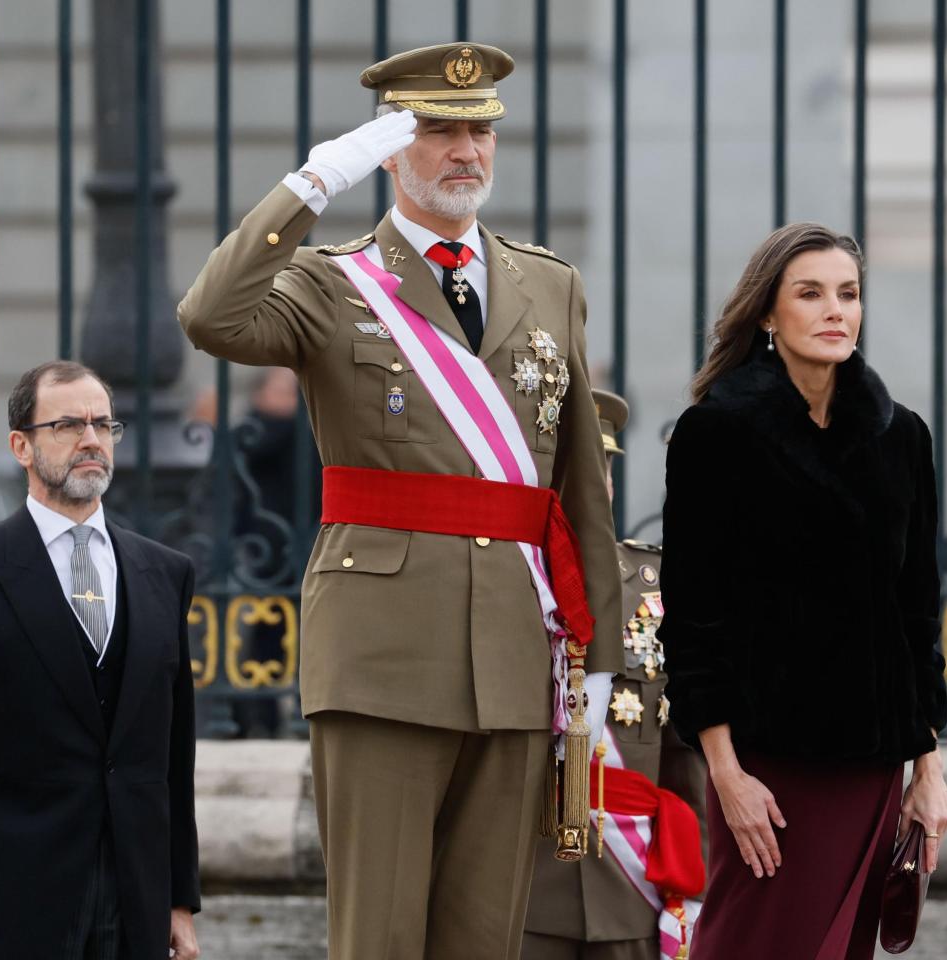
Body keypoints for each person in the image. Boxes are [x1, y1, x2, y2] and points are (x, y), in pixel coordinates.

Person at [178, 41, 622, 960]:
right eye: (438, 129)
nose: (467, 149)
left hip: (513, 645)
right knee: (378, 933)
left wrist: (600, 660)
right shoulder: (332, 282)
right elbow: (212, 316)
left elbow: (579, 484)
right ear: (389, 148)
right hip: (382, 647)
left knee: (484, 936)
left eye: (481, 129)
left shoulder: (549, 282)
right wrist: (310, 184)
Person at [659, 223, 947, 959]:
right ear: (767, 313)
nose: (836, 311)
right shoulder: (715, 435)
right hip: (768, 770)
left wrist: (929, 772)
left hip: (875, 765)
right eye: (811, 293)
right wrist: (726, 776)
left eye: (848, 294)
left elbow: (915, 618)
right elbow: (693, 622)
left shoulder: (902, 439)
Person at [0, 360, 202, 960]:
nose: (92, 440)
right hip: (14, 899)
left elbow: (173, 753)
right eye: (67, 424)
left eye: (103, 425)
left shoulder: (165, 573)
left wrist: (178, 897)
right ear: (22, 445)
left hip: (135, 899)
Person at [522, 389, 709, 960]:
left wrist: (695, 883)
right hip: (519, 887)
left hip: (632, 893)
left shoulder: (661, 587)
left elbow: (687, 758)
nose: (583, 485)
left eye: (595, 469)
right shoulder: (496, 584)